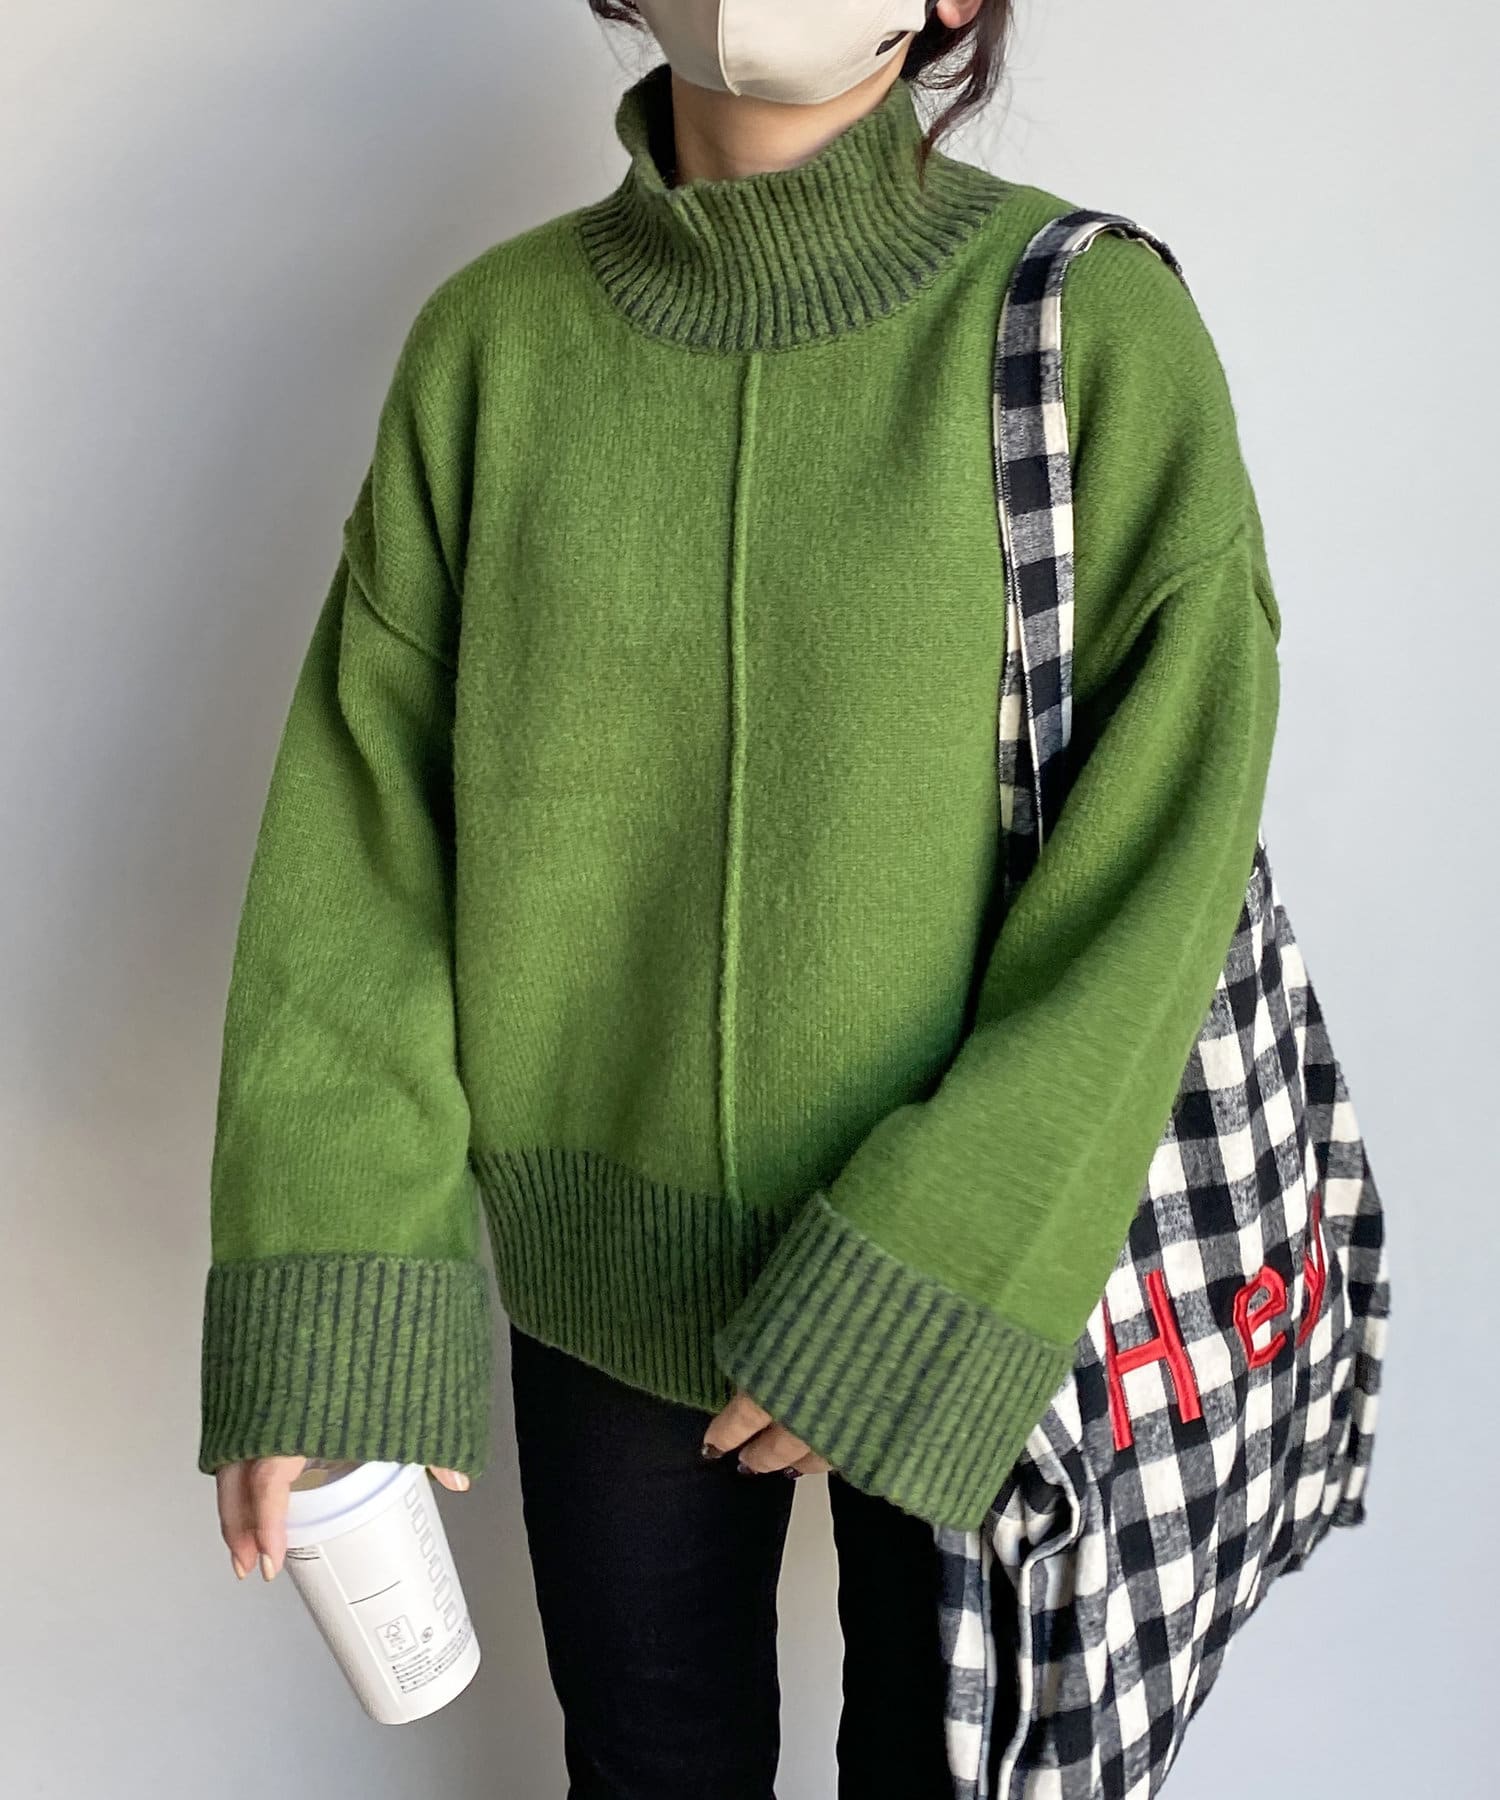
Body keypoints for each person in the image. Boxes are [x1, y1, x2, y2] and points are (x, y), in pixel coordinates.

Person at [200, 2, 1282, 1794]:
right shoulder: (492, 346)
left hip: (976, 1278)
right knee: (649, 1770)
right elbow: (364, 847)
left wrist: (942, 1258)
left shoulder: (1088, 323)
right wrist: (331, 1300)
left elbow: (1167, 844)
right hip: (598, 1286)